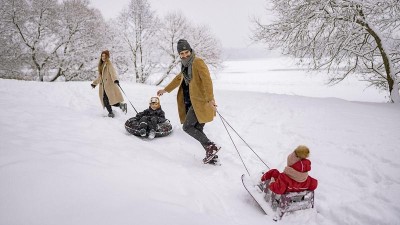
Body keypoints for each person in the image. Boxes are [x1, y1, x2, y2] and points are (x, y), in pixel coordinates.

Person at [157, 39, 220, 164]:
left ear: (190, 51)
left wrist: (210, 99)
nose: (184, 55)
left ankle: (210, 147)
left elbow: (207, 81)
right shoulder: (186, 65)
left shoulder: (197, 62)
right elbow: (178, 79)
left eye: (186, 52)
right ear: (179, 55)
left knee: (187, 127)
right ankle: (211, 154)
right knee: (197, 128)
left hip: (201, 103)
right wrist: (165, 90)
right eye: (182, 53)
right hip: (192, 103)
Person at [91, 50, 127, 118]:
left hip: (109, 86)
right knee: (107, 100)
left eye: (105, 56)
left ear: (107, 57)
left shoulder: (109, 64)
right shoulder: (101, 65)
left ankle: (111, 112)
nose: (103, 57)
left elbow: (113, 73)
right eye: (102, 56)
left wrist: (115, 79)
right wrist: (94, 83)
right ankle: (119, 107)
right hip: (103, 87)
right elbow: (100, 77)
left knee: (110, 100)